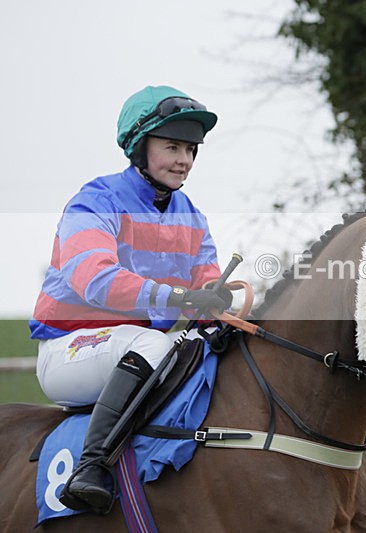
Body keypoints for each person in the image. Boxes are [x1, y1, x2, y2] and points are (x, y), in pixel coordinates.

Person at [29, 85, 232, 513]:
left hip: (138, 352)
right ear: (139, 148)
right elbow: (95, 280)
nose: (184, 160)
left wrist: (217, 311)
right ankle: (91, 466)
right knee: (155, 345)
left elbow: (206, 289)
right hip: (70, 350)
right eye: (172, 146)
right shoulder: (94, 202)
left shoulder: (191, 216)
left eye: (191, 150)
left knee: (207, 350)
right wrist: (182, 298)